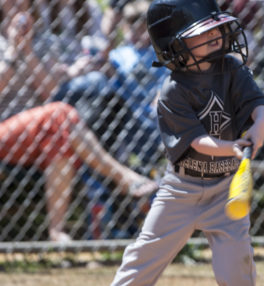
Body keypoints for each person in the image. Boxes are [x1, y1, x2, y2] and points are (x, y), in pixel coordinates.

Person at [111, 0, 264, 285]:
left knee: (237, 264)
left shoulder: (232, 68)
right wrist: (232, 147)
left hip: (225, 188)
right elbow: (197, 140)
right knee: (145, 256)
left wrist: (259, 126)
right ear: (173, 45)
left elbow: (258, 103)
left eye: (216, 28)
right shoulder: (173, 91)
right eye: (203, 31)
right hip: (180, 190)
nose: (215, 34)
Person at [0, 10, 158, 242]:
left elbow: (50, 92)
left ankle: (57, 231)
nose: (16, 4)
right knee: (60, 115)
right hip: (6, 128)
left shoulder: (42, 40)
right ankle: (122, 176)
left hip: (40, 130)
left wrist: (27, 49)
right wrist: (13, 49)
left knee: (59, 131)